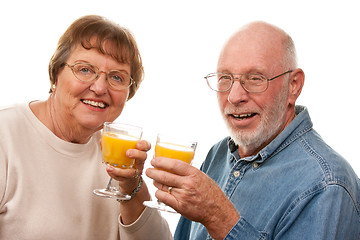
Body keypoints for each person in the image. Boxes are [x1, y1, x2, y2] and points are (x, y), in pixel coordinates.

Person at [143, 21, 360, 239]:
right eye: (225, 78)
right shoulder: (219, 153)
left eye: (255, 78)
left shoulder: (327, 184)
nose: (234, 96)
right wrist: (132, 190)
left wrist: (218, 217)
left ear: (293, 85)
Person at [0, 15, 170, 239]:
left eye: (117, 77)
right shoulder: (6, 134)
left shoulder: (116, 152)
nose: (100, 88)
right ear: (56, 73)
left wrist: (132, 187)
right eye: (85, 70)